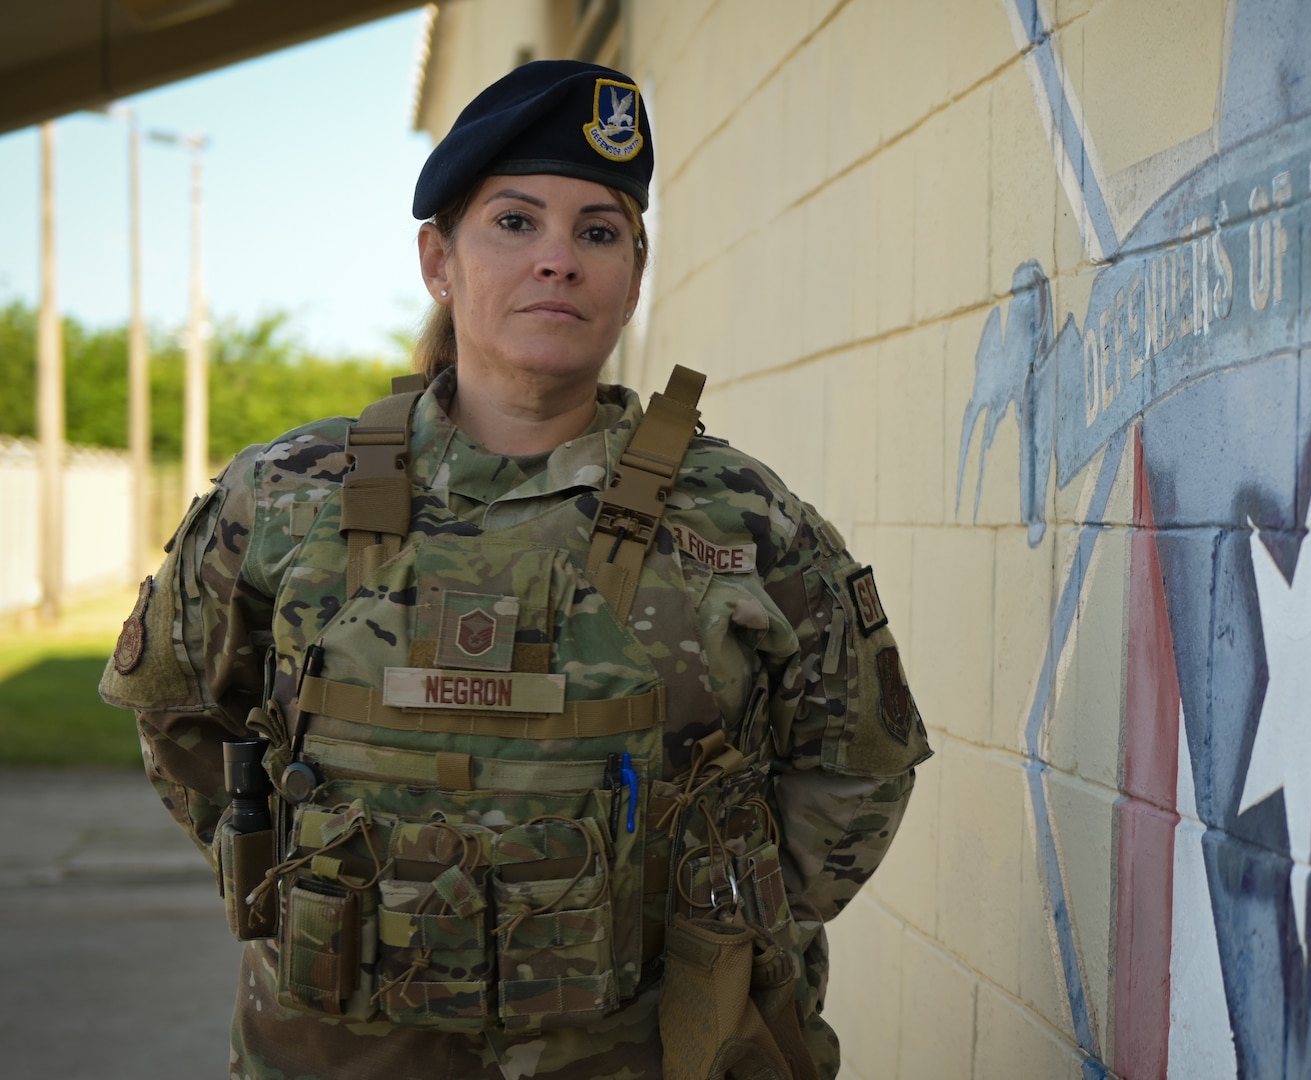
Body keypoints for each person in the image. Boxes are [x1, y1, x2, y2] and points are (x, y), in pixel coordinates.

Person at [99, 59, 929, 1080]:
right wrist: (303, 882)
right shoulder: (282, 499)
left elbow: (857, 766)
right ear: (437, 259)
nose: (557, 261)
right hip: (341, 1048)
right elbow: (179, 714)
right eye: (515, 222)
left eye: (597, 232)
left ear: (634, 270)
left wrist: (700, 926)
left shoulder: (745, 520)